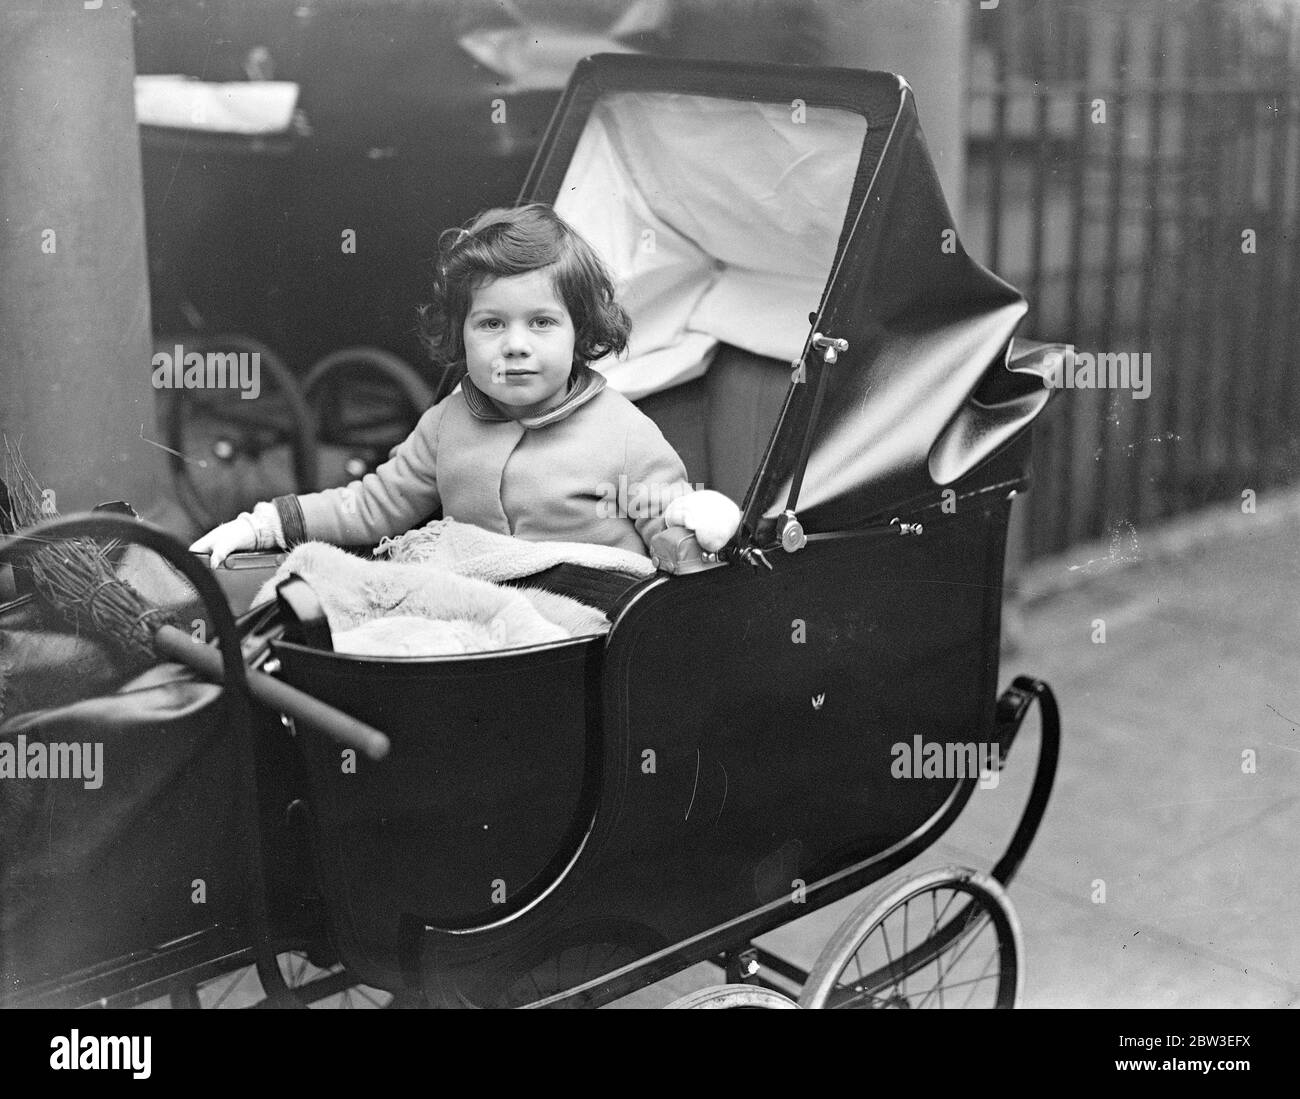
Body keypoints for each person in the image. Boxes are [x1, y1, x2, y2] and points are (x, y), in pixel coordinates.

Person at [191, 203, 741, 567]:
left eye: (543, 323)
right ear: (461, 335)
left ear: (581, 332)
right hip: (473, 618)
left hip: (585, 632)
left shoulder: (623, 435)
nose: (516, 344)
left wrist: (697, 523)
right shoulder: (449, 422)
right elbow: (373, 506)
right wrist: (260, 526)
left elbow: (668, 530)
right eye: (491, 324)